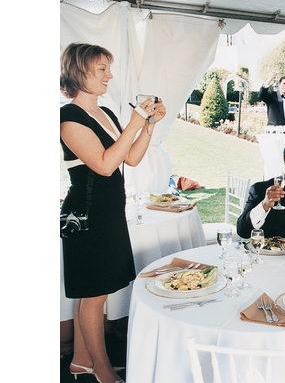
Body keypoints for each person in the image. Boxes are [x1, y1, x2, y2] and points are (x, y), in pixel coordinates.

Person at [60, 43, 166, 383]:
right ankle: (103, 371)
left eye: (108, 67)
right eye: (101, 69)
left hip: (108, 212)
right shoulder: (67, 117)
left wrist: (147, 125)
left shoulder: (104, 113)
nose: (109, 75)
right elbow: (105, 165)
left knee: (91, 293)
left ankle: (80, 362)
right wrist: (135, 122)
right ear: (79, 72)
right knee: (94, 296)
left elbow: (130, 159)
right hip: (86, 215)